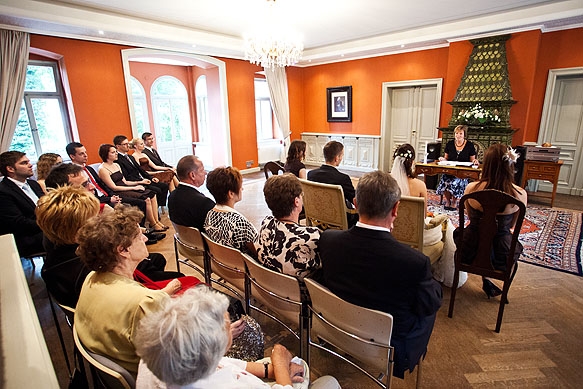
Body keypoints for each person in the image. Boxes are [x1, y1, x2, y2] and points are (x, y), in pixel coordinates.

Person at [318, 170, 442, 378]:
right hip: (389, 348)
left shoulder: (328, 240)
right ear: (396, 209)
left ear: (356, 204)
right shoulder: (414, 262)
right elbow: (429, 305)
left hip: (336, 329)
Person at [134, 286, 340, 389]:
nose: (229, 326)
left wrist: (272, 369)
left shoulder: (161, 354)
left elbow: (226, 365)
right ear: (215, 346)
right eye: (225, 324)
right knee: (329, 382)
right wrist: (279, 360)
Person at [74, 205, 183, 376]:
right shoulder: (144, 301)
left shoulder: (91, 278)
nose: (146, 239)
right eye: (139, 237)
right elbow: (177, 361)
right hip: (153, 377)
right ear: (123, 250)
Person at [37, 186, 182, 308]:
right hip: (131, 307)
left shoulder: (54, 255)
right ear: (79, 230)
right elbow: (131, 304)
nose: (102, 221)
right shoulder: (92, 267)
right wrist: (165, 292)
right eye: (96, 218)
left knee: (155, 259)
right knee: (180, 278)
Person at [454, 143, 527, 298]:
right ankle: (495, 286)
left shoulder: (471, 189)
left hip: (469, 250)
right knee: (508, 243)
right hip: (501, 256)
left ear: (486, 164)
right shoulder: (520, 194)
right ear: (509, 165)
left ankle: (484, 278)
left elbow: (470, 217)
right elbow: (512, 225)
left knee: (469, 234)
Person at [45, 162, 165, 244]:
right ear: (65, 193)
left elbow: (101, 186)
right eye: (84, 185)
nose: (91, 186)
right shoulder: (74, 225)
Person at [257, 174, 321, 278]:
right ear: (296, 201)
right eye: (301, 195)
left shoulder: (266, 224)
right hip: (301, 293)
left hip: (268, 288)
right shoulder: (311, 236)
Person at [97, 143, 168, 233]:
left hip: (125, 187)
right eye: (113, 152)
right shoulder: (102, 169)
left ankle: (156, 221)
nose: (116, 153)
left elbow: (125, 182)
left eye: (115, 151)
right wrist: (134, 188)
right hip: (118, 191)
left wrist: (139, 183)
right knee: (146, 199)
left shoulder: (116, 165)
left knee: (152, 193)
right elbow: (114, 187)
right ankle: (153, 223)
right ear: (106, 154)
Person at [204, 166, 258, 257]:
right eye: (240, 186)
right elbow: (259, 252)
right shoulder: (240, 223)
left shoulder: (209, 215)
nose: (242, 189)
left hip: (223, 265)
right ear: (231, 194)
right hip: (242, 268)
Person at [0, 151, 45, 256]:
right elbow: (19, 223)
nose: (30, 165)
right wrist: (50, 224)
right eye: (24, 163)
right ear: (10, 169)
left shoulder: (33, 184)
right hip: (28, 237)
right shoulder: (3, 191)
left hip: (44, 229)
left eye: (28, 161)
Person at [307, 140, 357, 227]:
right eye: (342, 155)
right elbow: (354, 200)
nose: (341, 158)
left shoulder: (311, 174)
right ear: (336, 158)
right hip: (340, 220)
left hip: (317, 216)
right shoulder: (343, 178)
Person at [113, 135, 169, 207]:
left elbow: (140, 169)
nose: (128, 146)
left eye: (128, 143)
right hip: (135, 182)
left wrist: (151, 178)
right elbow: (127, 176)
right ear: (118, 146)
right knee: (156, 190)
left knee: (164, 186)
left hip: (142, 179)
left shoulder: (130, 157)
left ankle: (159, 207)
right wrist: (141, 182)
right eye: (125, 144)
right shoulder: (118, 160)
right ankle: (155, 210)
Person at [168, 155, 215, 231]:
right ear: (192, 175)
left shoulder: (172, 196)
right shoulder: (203, 203)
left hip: (185, 241)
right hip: (202, 242)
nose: (205, 173)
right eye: (202, 170)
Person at [436, 125, 478, 210]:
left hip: (462, 173)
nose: (458, 135)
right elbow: (446, 158)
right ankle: (448, 201)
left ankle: (454, 202)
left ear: (464, 135)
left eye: (460, 133)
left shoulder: (469, 145)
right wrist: (442, 159)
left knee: (456, 181)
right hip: (450, 170)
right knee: (445, 180)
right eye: (456, 133)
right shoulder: (450, 144)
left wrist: (475, 161)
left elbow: (472, 160)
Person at [390, 143, 427, 209]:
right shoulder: (420, 185)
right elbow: (423, 215)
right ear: (412, 162)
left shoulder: (385, 183)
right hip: (413, 219)